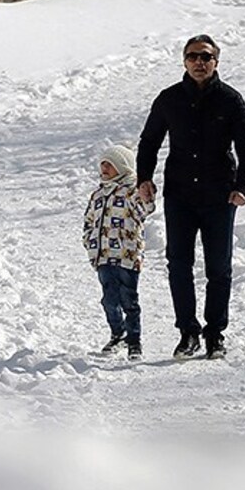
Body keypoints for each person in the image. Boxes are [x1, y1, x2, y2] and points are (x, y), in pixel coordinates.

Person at [137, 34, 245, 360]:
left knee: (219, 268)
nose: (199, 63)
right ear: (184, 61)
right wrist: (144, 178)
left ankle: (215, 334)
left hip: (220, 195)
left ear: (216, 62)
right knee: (179, 264)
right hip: (180, 195)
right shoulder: (169, 99)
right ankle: (187, 333)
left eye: (206, 57)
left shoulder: (231, 100)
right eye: (192, 57)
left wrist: (243, 187)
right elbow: (149, 141)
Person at [82, 144, 156, 361]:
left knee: (129, 300)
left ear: (122, 167)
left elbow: (145, 209)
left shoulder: (131, 192)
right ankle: (118, 333)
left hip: (127, 257)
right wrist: (89, 242)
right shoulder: (97, 194)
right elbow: (89, 221)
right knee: (109, 300)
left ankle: (134, 340)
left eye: (110, 164)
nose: (104, 168)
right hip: (103, 257)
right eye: (102, 164)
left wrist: (147, 197)